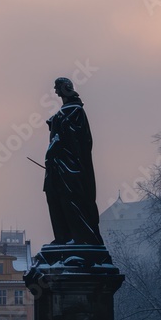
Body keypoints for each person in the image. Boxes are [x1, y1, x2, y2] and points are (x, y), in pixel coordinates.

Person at [43, 77, 104, 246]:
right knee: (54, 198)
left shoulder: (76, 111)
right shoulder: (65, 112)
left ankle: (80, 237)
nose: (55, 92)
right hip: (57, 166)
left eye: (57, 88)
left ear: (65, 88)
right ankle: (63, 236)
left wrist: (57, 128)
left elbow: (77, 140)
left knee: (71, 200)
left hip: (70, 167)